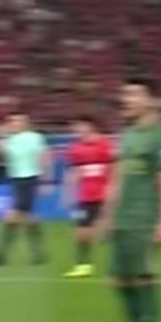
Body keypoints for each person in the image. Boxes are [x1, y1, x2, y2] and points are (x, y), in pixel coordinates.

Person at [98, 79, 161, 322]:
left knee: (145, 277)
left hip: (145, 217)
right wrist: (107, 216)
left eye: (134, 94)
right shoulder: (128, 134)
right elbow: (117, 178)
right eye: (125, 93)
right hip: (123, 218)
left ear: (151, 99)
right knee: (119, 279)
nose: (127, 99)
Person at [0, 113, 52, 266]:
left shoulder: (35, 137)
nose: (14, 123)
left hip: (30, 178)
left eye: (18, 121)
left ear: (26, 123)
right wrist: (1, 135)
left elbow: (44, 157)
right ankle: (38, 255)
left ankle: (0, 256)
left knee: (13, 215)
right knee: (29, 216)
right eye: (12, 121)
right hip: (16, 180)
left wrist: (46, 180)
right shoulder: (10, 139)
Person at [62, 115, 115, 278]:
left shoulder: (105, 145)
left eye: (79, 126)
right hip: (84, 198)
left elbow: (114, 170)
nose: (76, 130)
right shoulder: (75, 149)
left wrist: (112, 192)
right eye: (75, 127)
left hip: (105, 196)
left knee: (110, 231)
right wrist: (68, 193)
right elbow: (74, 172)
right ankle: (83, 265)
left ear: (90, 126)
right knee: (80, 232)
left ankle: (123, 265)